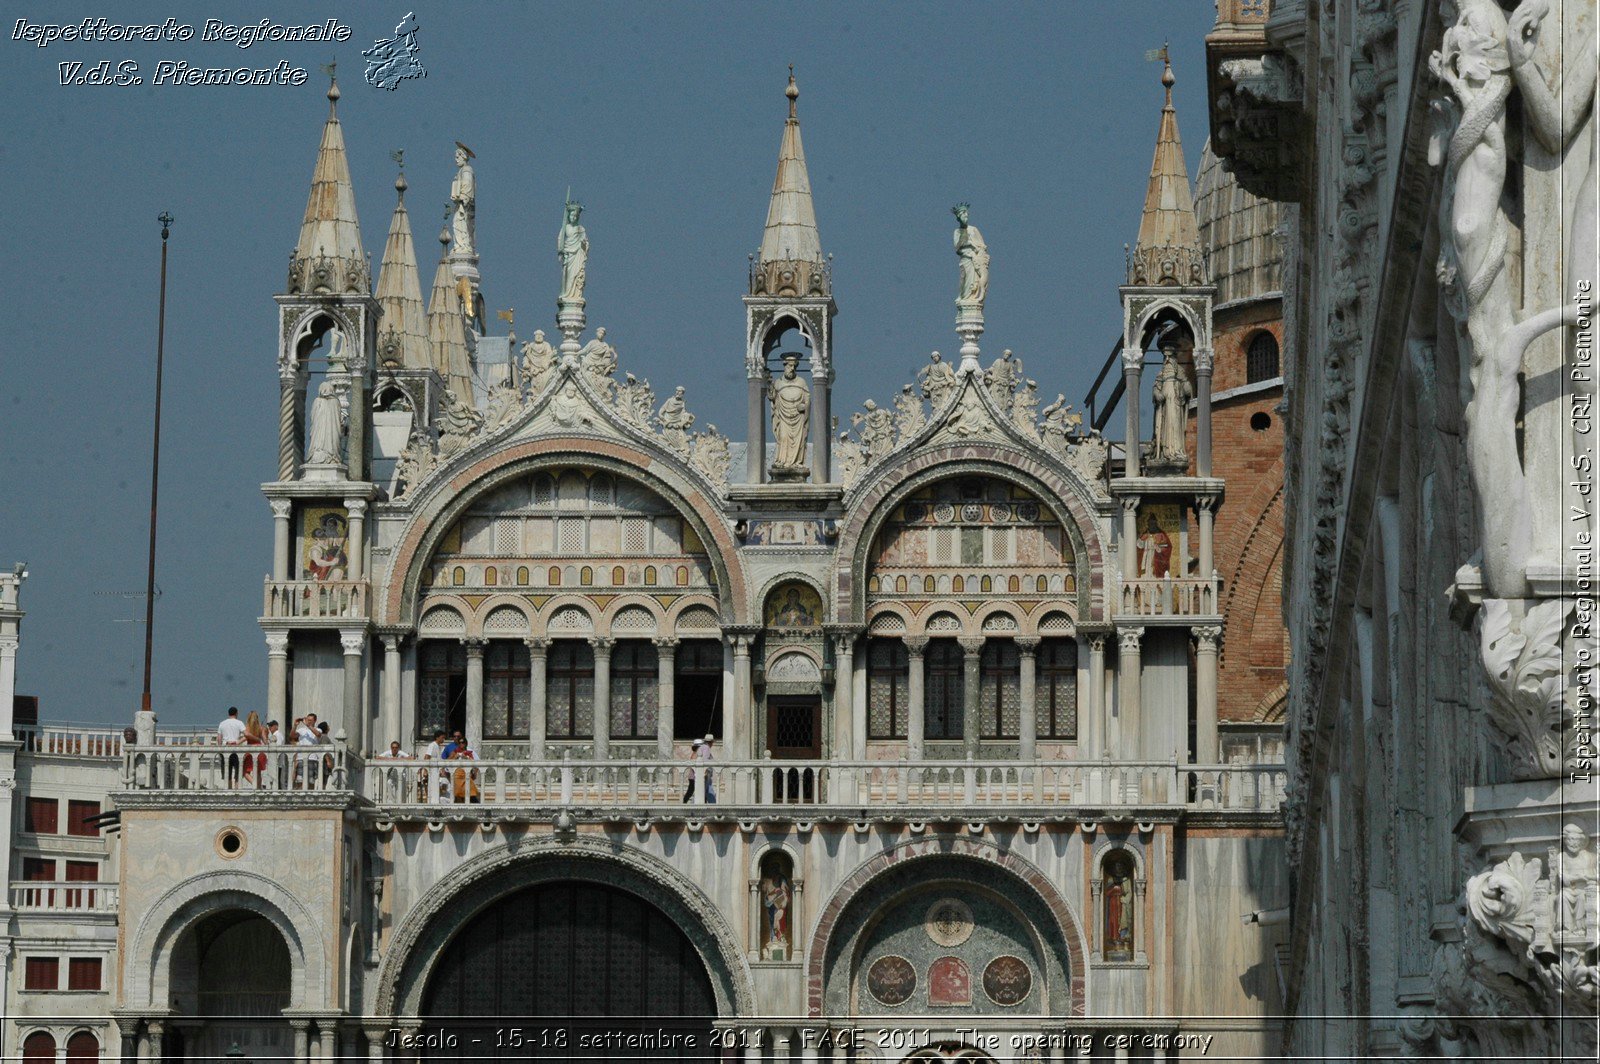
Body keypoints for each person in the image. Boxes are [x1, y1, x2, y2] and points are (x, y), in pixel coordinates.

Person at [218, 707, 246, 786]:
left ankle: (228, 790)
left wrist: (220, 749)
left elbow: (219, 738)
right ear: (237, 713)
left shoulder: (222, 723)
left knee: (227, 773)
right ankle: (236, 790)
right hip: (236, 750)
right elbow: (246, 735)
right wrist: (238, 742)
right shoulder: (239, 723)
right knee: (237, 773)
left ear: (228, 714)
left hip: (225, 749)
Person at [241, 711, 268, 787]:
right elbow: (265, 740)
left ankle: (255, 784)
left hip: (250, 751)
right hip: (260, 751)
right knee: (258, 772)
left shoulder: (247, 728)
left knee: (245, 772)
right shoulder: (261, 728)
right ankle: (258, 787)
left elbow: (245, 737)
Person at [698, 734, 717, 804]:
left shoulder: (701, 747)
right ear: (710, 742)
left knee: (708, 790)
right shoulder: (706, 748)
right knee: (703, 791)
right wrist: (705, 771)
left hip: (704, 773)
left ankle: (714, 807)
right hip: (705, 773)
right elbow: (705, 760)